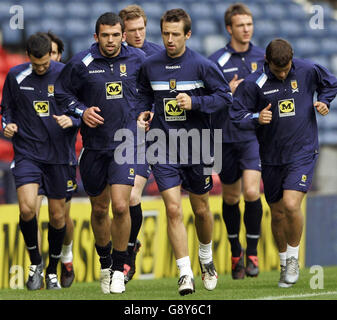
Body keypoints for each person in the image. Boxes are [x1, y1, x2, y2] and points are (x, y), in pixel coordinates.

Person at [136, 8, 232, 295]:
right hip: (162, 146)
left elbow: (225, 97)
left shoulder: (202, 66)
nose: (169, 39)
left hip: (198, 145)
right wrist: (144, 113)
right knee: (173, 208)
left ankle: (206, 258)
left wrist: (196, 103)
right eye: (165, 33)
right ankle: (185, 273)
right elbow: (142, 94)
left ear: (187, 35)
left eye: (175, 34)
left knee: (201, 210)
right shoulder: (151, 65)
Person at [230, 38, 337, 287]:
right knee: (277, 214)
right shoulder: (255, 83)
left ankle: (293, 260)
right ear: (267, 63)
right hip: (271, 157)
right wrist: (257, 116)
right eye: (278, 70)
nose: (283, 73)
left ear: (291, 60)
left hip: (302, 151)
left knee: (291, 205)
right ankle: (283, 262)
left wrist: (324, 101)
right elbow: (236, 114)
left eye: (287, 69)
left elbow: (331, 83)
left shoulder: (308, 69)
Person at [55, 12, 146, 294]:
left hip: (126, 143)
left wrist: (147, 112)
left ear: (123, 35)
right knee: (99, 209)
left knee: (121, 206)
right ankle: (105, 262)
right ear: (96, 37)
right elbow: (61, 94)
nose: (111, 40)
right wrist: (82, 111)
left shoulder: (139, 60)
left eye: (116, 35)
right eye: (105, 35)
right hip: (94, 147)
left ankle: (119, 269)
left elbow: (151, 93)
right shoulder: (82, 63)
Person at [1, 32, 76, 290]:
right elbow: (6, 109)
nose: (42, 68)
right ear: (28, 57)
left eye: (45, 63)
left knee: (58, 217)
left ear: (51, 56)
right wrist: (6, 125)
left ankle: (53, 270)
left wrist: (72, 120)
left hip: (58, 156)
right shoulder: (16, 76)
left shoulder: (65, 74)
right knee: (27, 209)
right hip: (28, 153)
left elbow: (80, 108)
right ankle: (35, 263)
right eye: (37, 64)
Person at [208, 3, 265, 279]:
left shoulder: (264, 57)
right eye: (241, 25)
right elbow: (208, 100)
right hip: (226, 136)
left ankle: (252, 254)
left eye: (250, 24)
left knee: (252, 192)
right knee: (231, 197)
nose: (246, 29)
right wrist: (228, 93)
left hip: (251, 135)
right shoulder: (215, 61)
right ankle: (235, 252)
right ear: (229, 28)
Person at [118, 4, 163, 283]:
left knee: (133, 196)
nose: (137, 35)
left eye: (141, 29)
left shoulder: (159, 54)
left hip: (148, 136)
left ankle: (129, 252)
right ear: (121, 32)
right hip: (118, 135)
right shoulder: (109, 58)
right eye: (132, 30)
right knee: (116, 204)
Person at [32, 31, 77, 288]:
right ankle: (38, 270)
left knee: (61, 218)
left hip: (63, 158)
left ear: (58, 55)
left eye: (54, 53)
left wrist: (71, 120)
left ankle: (66, 256)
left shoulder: (67, 80)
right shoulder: (30, 80)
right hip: (36, 158)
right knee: (32, 212)